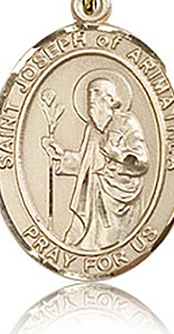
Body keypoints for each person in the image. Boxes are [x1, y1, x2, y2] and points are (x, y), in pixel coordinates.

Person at [41, 77, 149, 250]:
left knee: (110, 241)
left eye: (97, 92)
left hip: (117, 198)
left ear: (111, 99)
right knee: (85, 243)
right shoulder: (91, 129)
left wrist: (117, 155)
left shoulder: (126, 122)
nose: (91, 97)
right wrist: (61, 156)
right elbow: (86, 163)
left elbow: (142, 161)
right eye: (89, 93)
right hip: (91, 196)